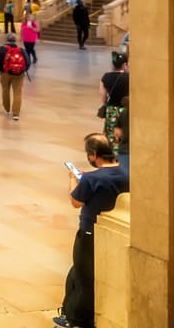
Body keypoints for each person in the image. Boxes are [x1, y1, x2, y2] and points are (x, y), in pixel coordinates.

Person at [55, 134, 129, 328]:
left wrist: (73, 179)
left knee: (84, 279)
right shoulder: (125, 173)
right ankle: (68, 314)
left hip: (89, 232)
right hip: (112, 232)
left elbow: (75, 201)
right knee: (76, 273)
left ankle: (77, 320)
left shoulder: (89, 179)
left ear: (94, 155)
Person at [0, 33, 27, 121]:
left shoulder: (1, 49)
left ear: (6, 40)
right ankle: (16, 114)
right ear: (15, 40)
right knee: (17, 93)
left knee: (5, 90)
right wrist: (22, 71)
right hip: (18, 75)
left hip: (4, 73)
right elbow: (27, 61)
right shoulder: (21, 50)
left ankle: (7, 109)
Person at [99, 51, 130, 159]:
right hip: (125, 111)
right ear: (125, 64)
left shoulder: (106, 77)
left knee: (111, 137)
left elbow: (103, 96)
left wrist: (105, 105)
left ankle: (111, 159)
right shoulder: (129, 78)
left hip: (111, 111)